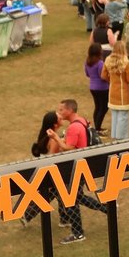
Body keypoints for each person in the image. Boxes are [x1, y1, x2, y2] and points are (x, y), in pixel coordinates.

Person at [42, 100, 108, 243]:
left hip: (75, 167)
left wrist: (55, 138)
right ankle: (106, 208)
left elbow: (68, 148)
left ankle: (78, 233)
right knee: (77, 197)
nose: (58, 112)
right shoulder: (83, 120)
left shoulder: (73, 128)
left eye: (61, 110)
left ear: (69, 111)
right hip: (83, 164)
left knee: (71, 198)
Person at [101, 41, 129, 140]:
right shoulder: (126, 61)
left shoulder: (107, 59)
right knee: (123, 117)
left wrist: (111, 80)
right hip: (123, 92)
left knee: (115, 115)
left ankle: (115, 136)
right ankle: (121, 138)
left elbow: (103, 75)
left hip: (112, 91)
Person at [84, 42, 110, 133]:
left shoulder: (87, 62)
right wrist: (109, 80)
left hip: (93, 87)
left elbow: (87, 74)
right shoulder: (100, 63)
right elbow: (102, 76)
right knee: (104, 107)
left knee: (98, 107)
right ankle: (98, 128)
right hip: (102, 88)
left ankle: (97, 126)